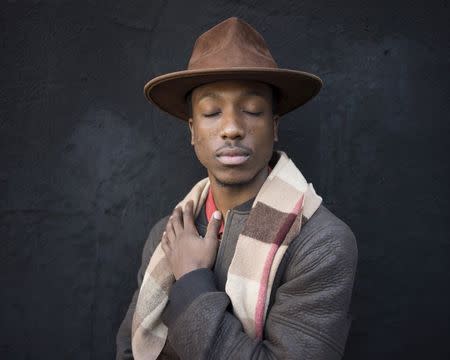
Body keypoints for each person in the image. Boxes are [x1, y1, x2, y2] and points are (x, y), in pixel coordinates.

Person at [116, 17, 357, 360]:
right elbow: (129, 350)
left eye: (252, 110)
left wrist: (193, 279)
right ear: (192, 131)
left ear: (274, 127)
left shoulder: (320, 244)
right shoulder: (168, 236)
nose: (231, 128)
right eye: (212, 112)